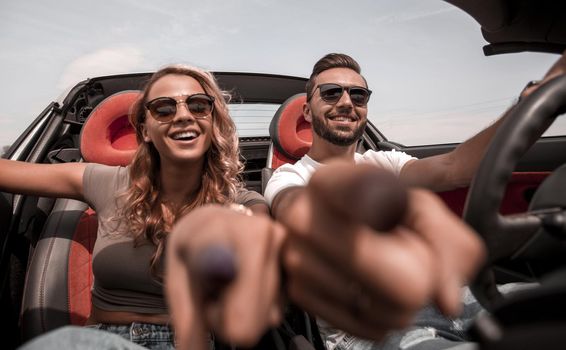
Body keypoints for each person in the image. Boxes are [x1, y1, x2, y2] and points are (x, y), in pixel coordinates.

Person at [264, 51, 566, 350]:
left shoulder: (385, 162)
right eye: (331, 93)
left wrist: (530, 100)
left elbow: (454, 167)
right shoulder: (288, 177)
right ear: (306, 111)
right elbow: (294, 207)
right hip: (367, 329)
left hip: (449, 298)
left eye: (358, 95)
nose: (346, 102)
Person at [5, 64, 284, 349]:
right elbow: (9, 173)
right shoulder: (107, 181)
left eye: (199, 105)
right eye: (164, 109)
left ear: (213, 122)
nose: (184, 116)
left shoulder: (238, 202)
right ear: (145, 130)